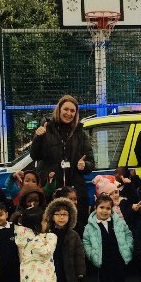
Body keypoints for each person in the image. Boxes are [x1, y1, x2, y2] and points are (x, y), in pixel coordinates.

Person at [30, 94, 95, 226]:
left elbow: (91, 162)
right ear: (59, 109)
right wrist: (37, 137)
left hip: (74, 190)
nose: (69, 113)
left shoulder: (80, 134)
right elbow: (34, 156)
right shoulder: (46, 129)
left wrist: (84, 165)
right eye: (66, 109)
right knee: (52, 227)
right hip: (52, 187)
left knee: (75, 227)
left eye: (72, 111)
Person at [83, 194, 134, 282]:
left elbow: (128, 234)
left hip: (119, 257)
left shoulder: (119, 222)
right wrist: (91, 254)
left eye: (108, 208)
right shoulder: (90, 226)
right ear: (95, 208)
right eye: (101, 207)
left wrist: (128, 247)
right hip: (103, 259)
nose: (105, 211)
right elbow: (86, 242)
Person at [43, 197, 85, 282]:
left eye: (65, 214)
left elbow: (79, 254)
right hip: (51, 268)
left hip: (67, 268)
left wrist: (80, 271)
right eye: (58, 214)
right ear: (51, 216)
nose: (62, 217)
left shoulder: (73, 234)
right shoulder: (46, 233)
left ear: (70, 216)